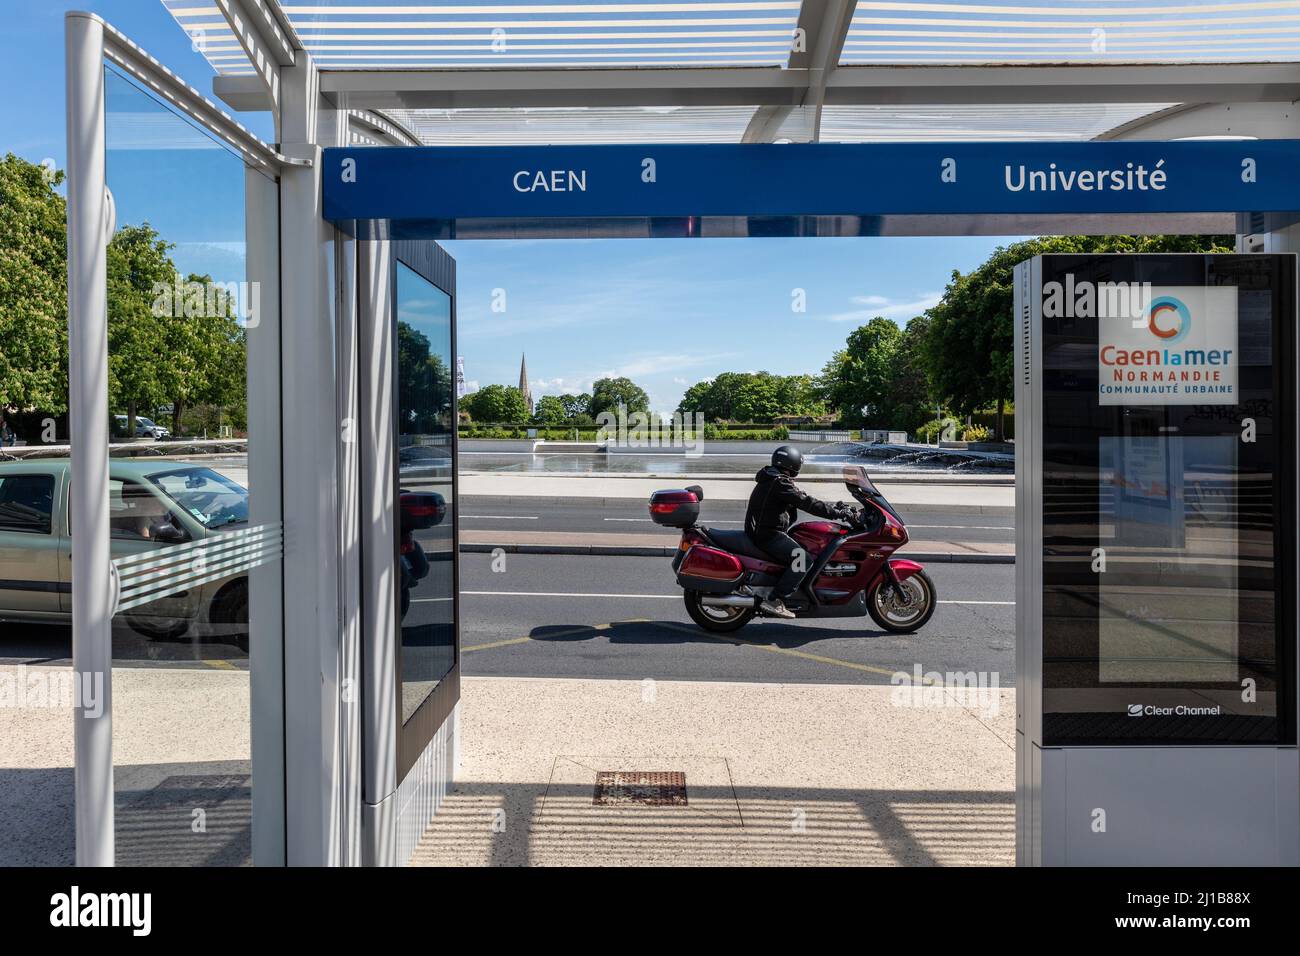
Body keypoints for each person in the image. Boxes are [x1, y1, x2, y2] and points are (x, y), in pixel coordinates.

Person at [744, 445, 849, 618]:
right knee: (803, 559)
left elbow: (801, 496)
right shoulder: (779, 482)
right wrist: (836, 513)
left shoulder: (772, 478)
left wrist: (833, 507)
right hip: (768, 535)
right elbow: (805, 502)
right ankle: (774, 599)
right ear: (792, 463)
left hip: (764, 531)